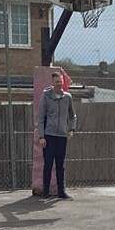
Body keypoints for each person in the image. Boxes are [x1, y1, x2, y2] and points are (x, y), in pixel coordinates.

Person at [37, 71, 77, 199]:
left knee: (60, 165)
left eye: (60, 81)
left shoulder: (67, 97)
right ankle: (45, 192)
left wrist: (71, 129)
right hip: (49, 135)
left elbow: (72, 115)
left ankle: (61, 191)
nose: (59, 84)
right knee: (48, 164)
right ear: (52, 82)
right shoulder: (46, 96)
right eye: (57, 82)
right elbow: (41, 117)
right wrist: (41, 136)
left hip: (62, 136)